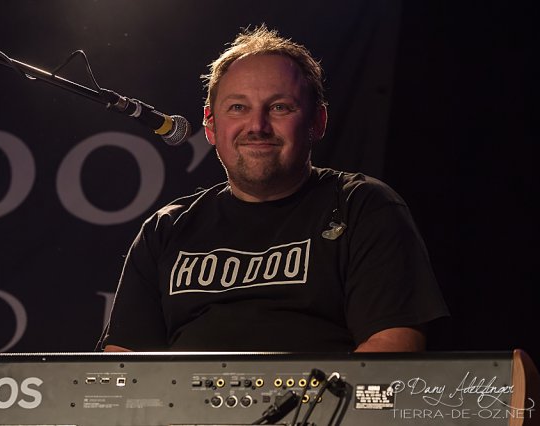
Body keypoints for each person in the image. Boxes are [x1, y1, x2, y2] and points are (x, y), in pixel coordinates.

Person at [98, 25, 449, 353]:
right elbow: (122, 366)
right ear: (211, 125)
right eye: (238, 107)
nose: (257, 126)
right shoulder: (166, 229)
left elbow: (393, 343)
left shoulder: (362, 205)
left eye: (280, 107)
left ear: (318, 122)